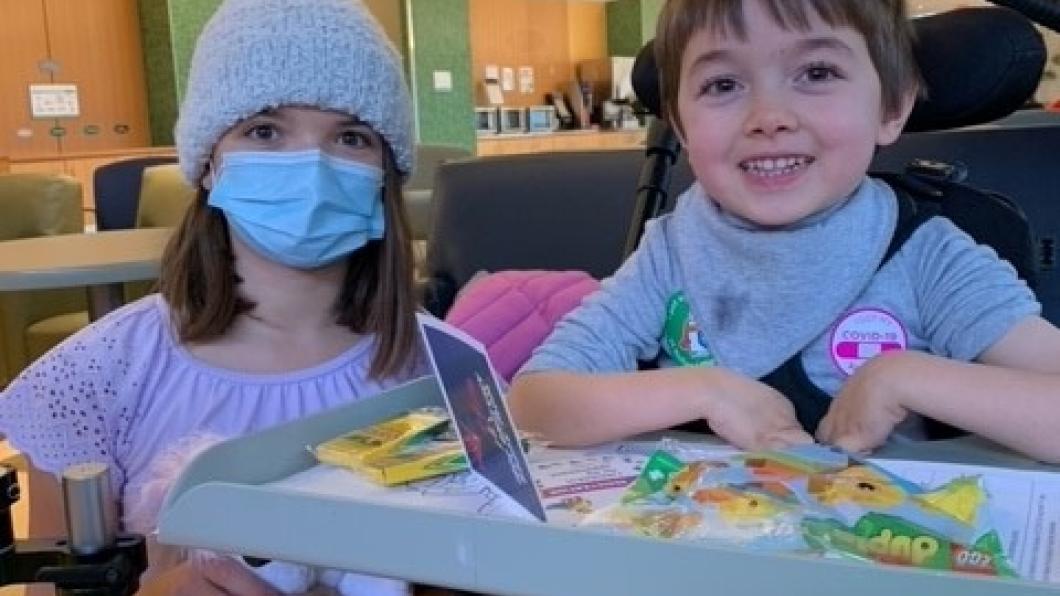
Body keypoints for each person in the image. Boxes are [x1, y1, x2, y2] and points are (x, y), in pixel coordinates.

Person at [508, 0, 1060, 464]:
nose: (769, 116)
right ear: (680, 124)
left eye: (816, 73)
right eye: (723, 84)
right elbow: (531, 402)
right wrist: (702, 389)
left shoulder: (929, 257)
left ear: (891, 106)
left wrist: (906, 377)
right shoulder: (671, 251)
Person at [0, 0, 425, 593]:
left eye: (351, 136)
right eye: (264, 130)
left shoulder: (443, 371)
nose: (310, 165)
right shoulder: (89, 381)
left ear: (386, 170)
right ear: (208, 163)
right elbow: (50, 585)